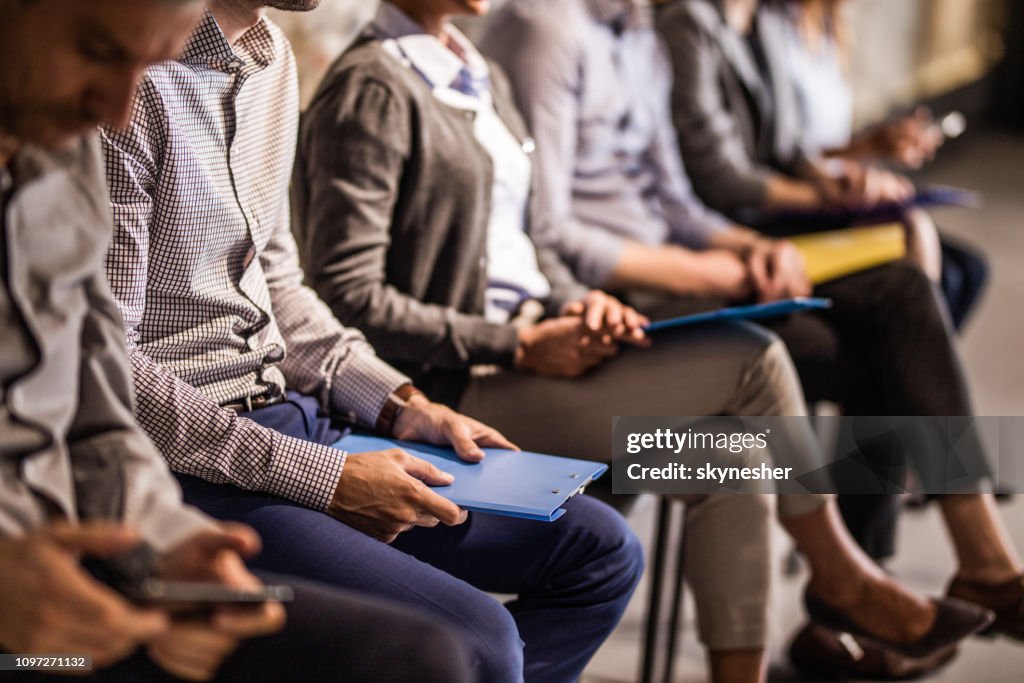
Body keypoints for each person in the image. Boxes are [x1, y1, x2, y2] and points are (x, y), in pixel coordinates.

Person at [291, 2, 995, 681]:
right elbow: (345, 294)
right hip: (456, 385)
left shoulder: (478, 69)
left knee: (738, 459)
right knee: (756, 359)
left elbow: (532, 245)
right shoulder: (373, 86)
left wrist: (581, 302)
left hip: (538, 339)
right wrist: (518, 341)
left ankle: (780, 637)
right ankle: (843, 573)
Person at [99, 1, 645, 680]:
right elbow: (110, 363)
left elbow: (282, 283)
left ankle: (808, 583)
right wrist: (516, 344)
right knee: (740, 414)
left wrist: (400, 401)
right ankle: (806, 586)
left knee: (616, 537)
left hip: (326, 401)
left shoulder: (280, 59)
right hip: (242, 439)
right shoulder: (138, 79)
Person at [484, 0, 1024, 644]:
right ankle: (866, 593)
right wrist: (716, 272)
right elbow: (552, 230)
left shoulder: (639, 30)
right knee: (880, 356)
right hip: (619, 295)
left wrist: (747, 248)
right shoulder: (550, 28)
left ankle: (937, 566)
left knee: (904, 295)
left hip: (677, 261)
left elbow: (678, 200)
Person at [0, 1, 474, 682]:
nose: (121, 109)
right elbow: (358, 289)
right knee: (447, 648)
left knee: (601, 539)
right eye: (99, 51)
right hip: (43, 602)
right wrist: (512, 341)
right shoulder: (374, 83)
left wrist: (173, 547)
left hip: (253, 434)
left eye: (149, 66)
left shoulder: (60, 161)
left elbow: (94, 409)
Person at [769, 0, 989, 329]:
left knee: (971, 270)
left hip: (838, 190)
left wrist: (874, 145)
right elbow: (779, 154)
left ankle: (917, 366)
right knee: (921, 243)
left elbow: (825, 143)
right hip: (801, 201)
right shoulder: (775, 28)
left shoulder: (831, 29)